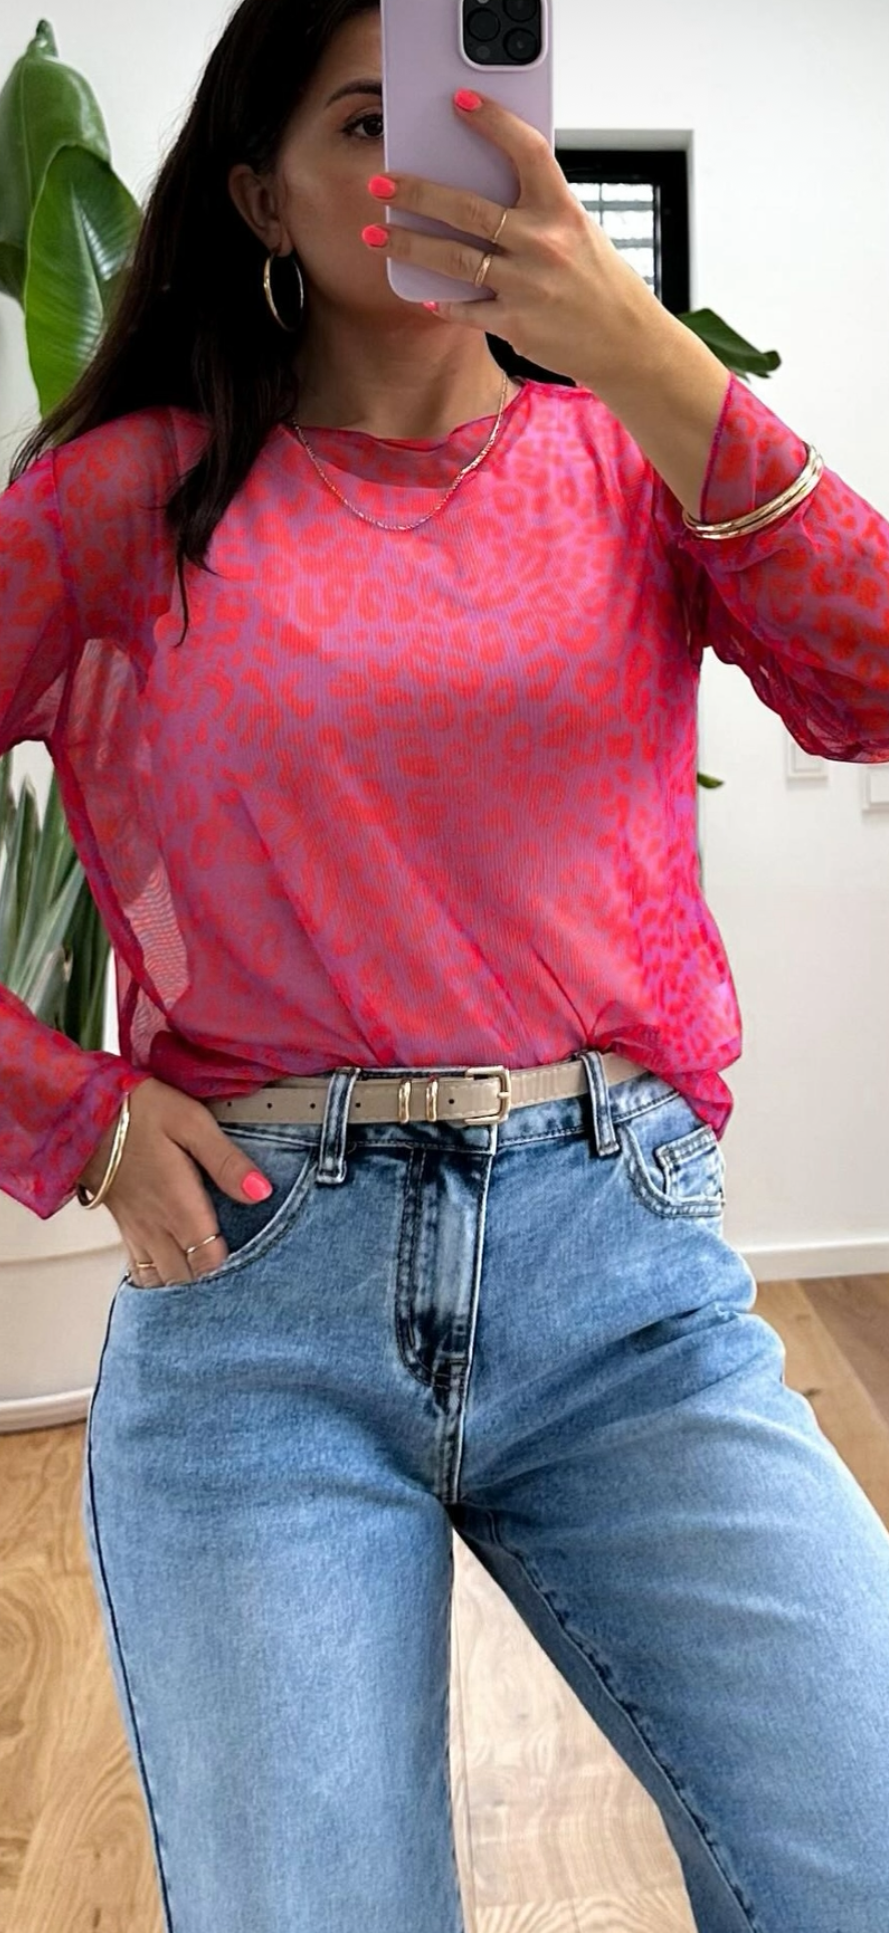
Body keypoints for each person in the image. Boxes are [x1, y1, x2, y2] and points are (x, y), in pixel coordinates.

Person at [2, 3, 889, 1929]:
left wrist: (643, 352)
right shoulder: (121, 499)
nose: (434, 169)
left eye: (476, 126)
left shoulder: (633, 457)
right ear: (262, 196)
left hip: (625, 1286)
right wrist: (68, 1112)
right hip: (261, 1309)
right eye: (368, 123)